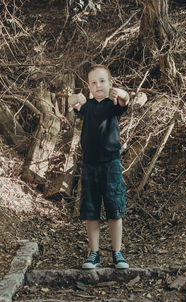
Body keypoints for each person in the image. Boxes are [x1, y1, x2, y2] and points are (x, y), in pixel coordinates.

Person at [68, 64, 130, 269]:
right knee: (91, 209)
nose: (98, 86)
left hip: (111, 162)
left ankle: (117, 253)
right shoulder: (88, 106)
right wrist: (77, 98)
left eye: (102, 81)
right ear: (89, 86)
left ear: (110, 83)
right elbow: (71, 102)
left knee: (114, 207)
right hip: (90, 164)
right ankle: (93, 254)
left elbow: (125, 99)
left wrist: (120, 92)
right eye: (93, 83)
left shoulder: (114, 104)